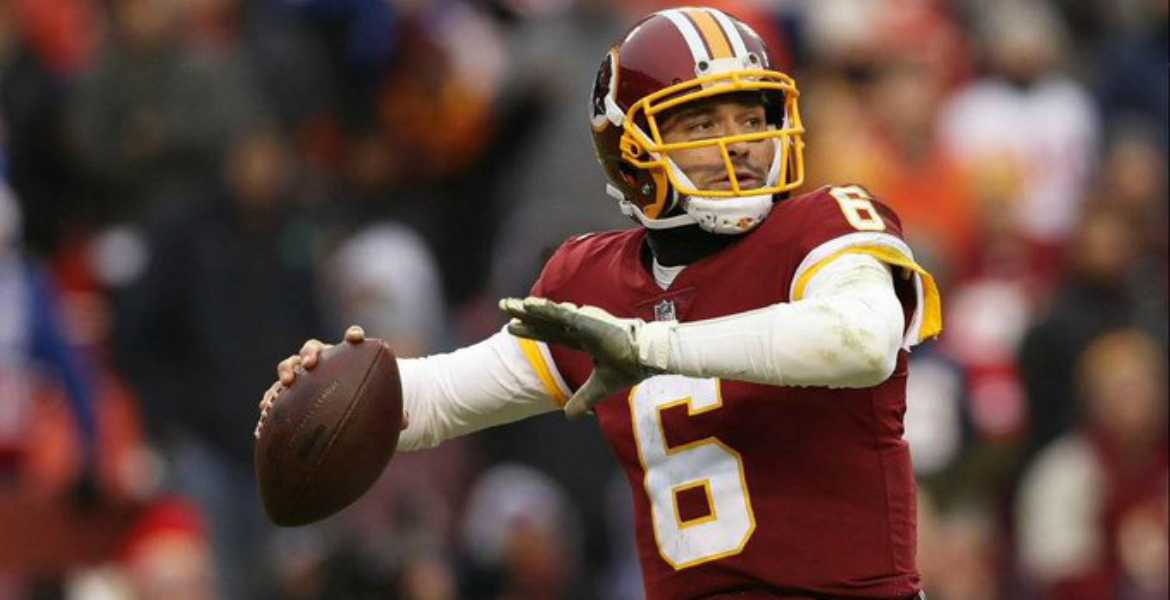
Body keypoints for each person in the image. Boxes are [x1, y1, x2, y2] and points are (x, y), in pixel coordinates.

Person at [259, 7, 941, 599]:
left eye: (750, 117)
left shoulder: (826, 228)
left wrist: (650, 347)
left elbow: (861, 341)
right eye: (701, 121)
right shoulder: (595, 281)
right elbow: (436, 399)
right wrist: (325, 387)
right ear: (630, 150)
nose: (737, 143)